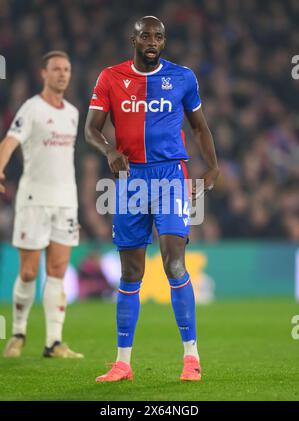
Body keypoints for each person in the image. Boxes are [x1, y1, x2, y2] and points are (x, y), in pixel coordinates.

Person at [85, 16, 219, 381]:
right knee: (131, 272)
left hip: (170, 176)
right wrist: (109, 151)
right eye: (146, 35)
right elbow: (91, 129)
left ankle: (191, 358)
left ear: (164, 42)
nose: (152, 41)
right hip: (130, 180)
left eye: (158, 36)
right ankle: (122, 363)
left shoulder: (183, 77)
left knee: (174, 263)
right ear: (134, 38)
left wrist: (213, 166)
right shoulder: (110, 77)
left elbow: (199, 126)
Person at [0, 51, 83, 358]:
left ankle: (54, 341)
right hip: (34, 200)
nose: (62, 74)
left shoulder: (73, 113)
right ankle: (18, 333)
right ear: (43, 74)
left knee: (58, 269)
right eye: (56, 69)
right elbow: (9, 141)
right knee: (29, 273)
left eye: (67, 69)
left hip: (66, 201)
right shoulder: (32, 108)